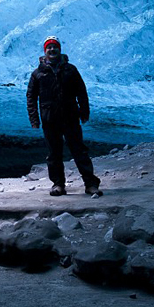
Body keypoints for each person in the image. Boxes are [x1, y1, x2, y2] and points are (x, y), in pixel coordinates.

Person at [26, 36, 102, 196]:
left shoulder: (71, 70)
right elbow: (31, 97)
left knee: (79, 151)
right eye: (49, 48)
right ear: (45, 51)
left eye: (55, 47)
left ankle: (90, 184)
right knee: (54, 153)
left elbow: (81, 92)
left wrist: (84, 112)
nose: (52, 50)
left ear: (60, 50)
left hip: (70, 117)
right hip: (49, 118)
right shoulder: (38, 73)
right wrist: (34, 119)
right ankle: (58, 184)